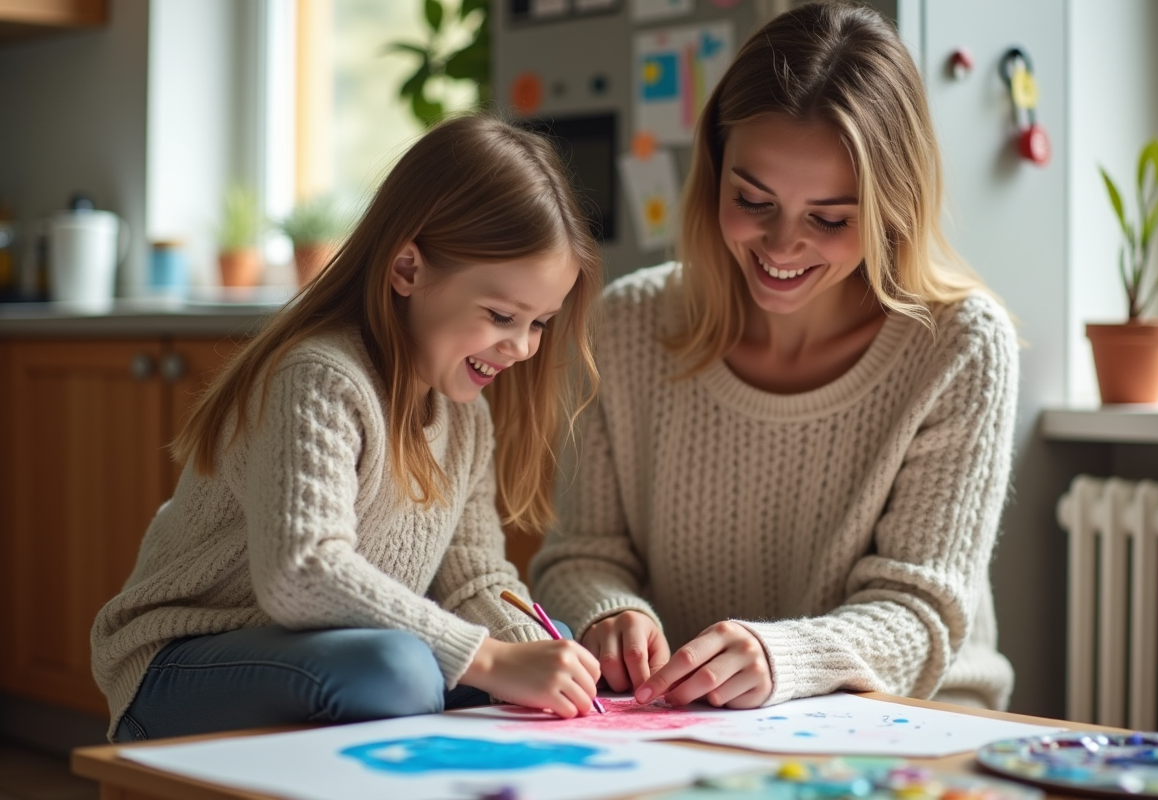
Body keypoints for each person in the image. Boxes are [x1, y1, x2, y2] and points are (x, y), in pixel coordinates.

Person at [531, 0, 1019, 712]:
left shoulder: (961, 345)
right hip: (684, 720)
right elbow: (581, 556)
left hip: (907, 719)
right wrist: (609, 616)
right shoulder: (626, 325)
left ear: (893, 207)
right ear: (715, 171)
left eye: (828, 218)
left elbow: (919, 611)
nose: (783, 246)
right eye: (753, 200)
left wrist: (781, 657)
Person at [91, 115, 606, 743]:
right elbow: (302, 570)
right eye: (502, 315)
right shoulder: (319, 376)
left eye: (540, 323)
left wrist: (537, 657)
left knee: (558, 660)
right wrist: (494, 662)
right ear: (408, 270)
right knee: (400, 670)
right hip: (180, 668)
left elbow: (476, 579)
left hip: (322, 663)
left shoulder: (465, 413)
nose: (522, 348)